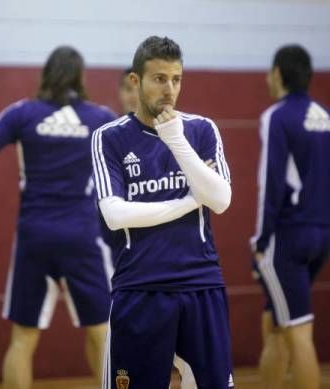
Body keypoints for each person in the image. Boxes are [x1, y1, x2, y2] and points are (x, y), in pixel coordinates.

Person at [0, 46, 116, 388]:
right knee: (103, 334)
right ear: (81, 77)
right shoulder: (101, 118)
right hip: (82, 237)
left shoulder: (23, 113)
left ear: (46, 74)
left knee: (22, 339)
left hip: (34, 238)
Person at [92, 36, 234, 389]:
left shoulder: (201, 130)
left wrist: (175, 139)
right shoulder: (109, 138)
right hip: (140, 288)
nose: (169, 89)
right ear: (135, 82)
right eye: (159, 79)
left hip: (201, 284)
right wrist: (188, 201)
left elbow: (220, 199)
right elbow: (115, 214)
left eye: (176, 79)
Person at [250, 44, 330, 389]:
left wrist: (261, 242)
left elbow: (269, 184)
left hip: (288, 236)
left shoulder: (276, 116)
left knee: (299, 331)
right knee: (276, 324)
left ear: (277, 74)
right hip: (323, 233)